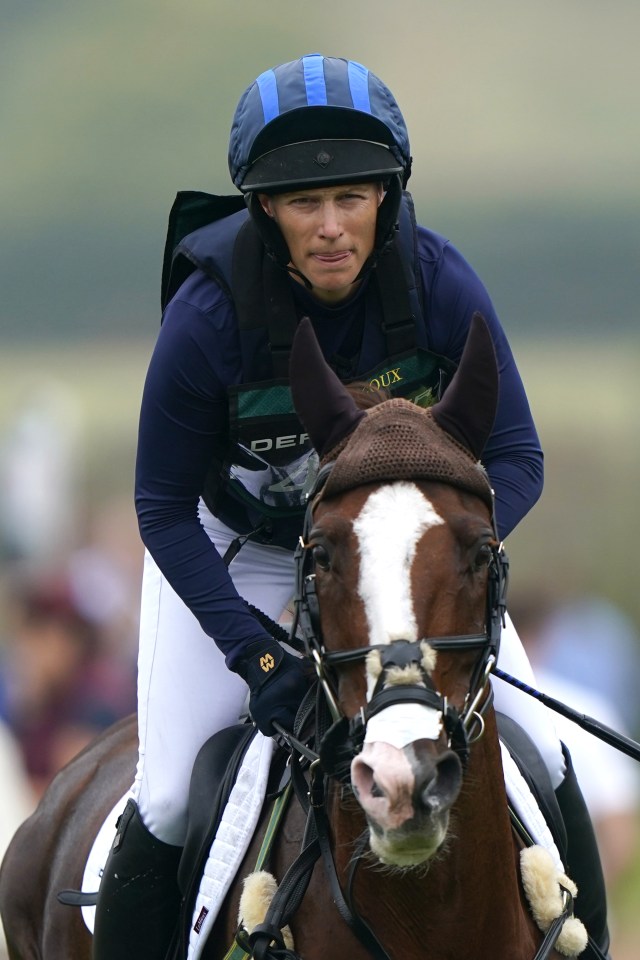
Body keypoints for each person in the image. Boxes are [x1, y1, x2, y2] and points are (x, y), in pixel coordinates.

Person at [92, 55, 609, 959]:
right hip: (236, 553)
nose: (331, 228)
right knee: (173, 792)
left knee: (549, 749)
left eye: (352, 198)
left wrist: (446, 556)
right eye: (302, 204)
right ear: (263, 212)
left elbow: (517, 456)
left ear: (387, 198)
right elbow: (161, 505)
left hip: (403, 560)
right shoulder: (209, 318)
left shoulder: (440, 282)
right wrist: (253, 652)